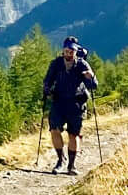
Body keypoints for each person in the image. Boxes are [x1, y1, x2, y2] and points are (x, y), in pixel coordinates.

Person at [41, 36, 96, 174]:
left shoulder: (82, 64)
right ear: (63, 50)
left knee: (74, 135)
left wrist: (91, 77)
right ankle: (61, 160)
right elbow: (48, 79)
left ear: (76, 51)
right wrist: (46, 88)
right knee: (54, 130)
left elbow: (94, 85)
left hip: (76, 104)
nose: (69, 53)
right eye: (67, 50)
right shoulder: (56, 64)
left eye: (71, 51)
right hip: (59, 102)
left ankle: (71, 166)